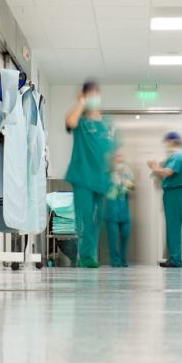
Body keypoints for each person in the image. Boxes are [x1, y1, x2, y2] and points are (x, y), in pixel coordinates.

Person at [65, 80, 115, 268]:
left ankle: (88, 255)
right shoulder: (80, 120)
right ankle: (86, 257)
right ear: (85, 96)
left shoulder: (106, 124)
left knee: (96, 220)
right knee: (85, 218)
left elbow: (110, 151)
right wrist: (81, 104)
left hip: (102, 180)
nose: (95, 97)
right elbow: (70, 122)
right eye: (90, 94)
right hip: (83, 178)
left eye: (96, 93)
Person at [148, 131, 182, 268]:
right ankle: (173, 258)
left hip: (175, 193)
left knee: (173, 227)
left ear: (172, 142)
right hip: (173, 193)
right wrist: (158, 173)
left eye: (167, 143)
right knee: (173, 227)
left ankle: (176, 260)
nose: (166, 146)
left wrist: (155, 168)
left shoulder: (178, 155)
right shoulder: (176, 157)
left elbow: (169, 172)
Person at [104, 152, 134, 267]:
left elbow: (132, 187)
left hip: (124, 212)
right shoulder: (107, 176)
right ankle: (115, 261)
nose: (120, 163)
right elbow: (106, 192)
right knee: (113, 238)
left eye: (122, 161)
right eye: (117, 160)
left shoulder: (127, 175)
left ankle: (123, 260)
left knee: (125, 235)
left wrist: (127, 184)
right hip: (111, 212)